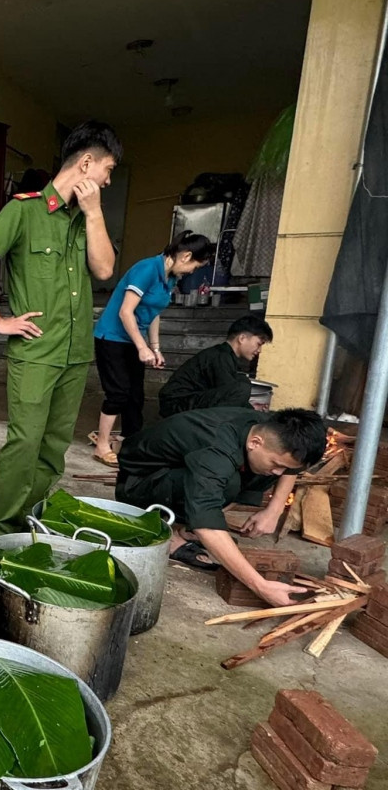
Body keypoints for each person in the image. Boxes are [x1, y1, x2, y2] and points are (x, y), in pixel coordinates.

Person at [0, 121, 123, 539]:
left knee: (53, 449)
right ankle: (0, 530)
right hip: (35, 352)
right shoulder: (24, 210)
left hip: (75, 353)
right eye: (106, 169)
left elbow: (105, 268)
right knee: (24, 444)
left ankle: (26, 521)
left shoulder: (88, 218)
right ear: (86, 163)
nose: (107, 179)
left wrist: (94, 214)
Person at [116, 406, 326, 605]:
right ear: (255, 442)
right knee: (225, 487)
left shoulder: (273, 429)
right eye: (278, 464)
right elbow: (208, 525)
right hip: (138, 484)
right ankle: (172, 537)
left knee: (258, 472)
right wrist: (261, 586)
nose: (280, 473)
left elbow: (290, 467)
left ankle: (189, 528)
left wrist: (274, 510)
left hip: (179, 470)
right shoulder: (215, 451)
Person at [91, 231, 216, 466]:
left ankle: (130, 443)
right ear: (186, 256)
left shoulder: (170, 278)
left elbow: (154, 313)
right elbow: (125, 311)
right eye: (195, 267)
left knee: (135, 396)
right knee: (118, 393)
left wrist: (154, 348)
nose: (193, 272)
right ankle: (101, 445)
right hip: (112, 338)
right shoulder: (147, 269)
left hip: (133, 339)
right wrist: (142, 347)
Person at [159, 314, 273, 418]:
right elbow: (231, 397)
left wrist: (253, 410)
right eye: (259, 344)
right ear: (242, 338)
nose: (259, 350)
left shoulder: (224, 355)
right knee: (241, 388)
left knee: (242, 382)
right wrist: (254, 414)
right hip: (176, 404)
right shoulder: (220, 357)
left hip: (187, 401)